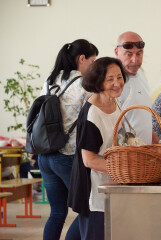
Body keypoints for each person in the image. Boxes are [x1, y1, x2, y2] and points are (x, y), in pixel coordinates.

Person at [37, 39, 98, 240]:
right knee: (87, 209)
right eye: (93, 61)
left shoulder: (49, 81)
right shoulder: (83, 84)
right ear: (82, 59)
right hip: (67, 156)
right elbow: (93, 115)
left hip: (45, 155)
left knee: (56, 213)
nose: (94, 66)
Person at [68, 57, 127, 240]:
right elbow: (89, 160)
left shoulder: (114, 102)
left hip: (113, 186)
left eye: (119, 77)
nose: (117, 83)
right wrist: (124, 170)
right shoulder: (92, 114)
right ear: (98, 81)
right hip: (95, 192)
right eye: (110, 79)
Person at [115, 31, 153, 144]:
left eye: (139, 53)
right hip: (125, 155)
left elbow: (141, 120)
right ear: (117, 52)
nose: (135, 60)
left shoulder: (141, 75)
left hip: (144, 152)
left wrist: (159, 141)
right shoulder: (113, 84)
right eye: (129, 54)